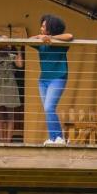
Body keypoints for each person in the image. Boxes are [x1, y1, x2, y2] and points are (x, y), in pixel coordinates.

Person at [30, 14, 73, 145]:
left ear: (51, 28)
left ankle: (59, 138)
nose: (41, 28)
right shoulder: (41, 42)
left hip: (58, 77)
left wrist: (51, 38)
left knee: (49, 107)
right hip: (43, 80)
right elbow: (28, 40)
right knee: (47, 109)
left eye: (43, 26)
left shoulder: (60, 42)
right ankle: (53, 138)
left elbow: (70, 36)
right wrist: (39, 37)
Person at [0, 40, 23, 143]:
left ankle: (8, 141)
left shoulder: (12, 56)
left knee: (10, 115)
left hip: (10, 84)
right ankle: (1, 140)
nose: (7, 45)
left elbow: (20, 65)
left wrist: (18, 50)